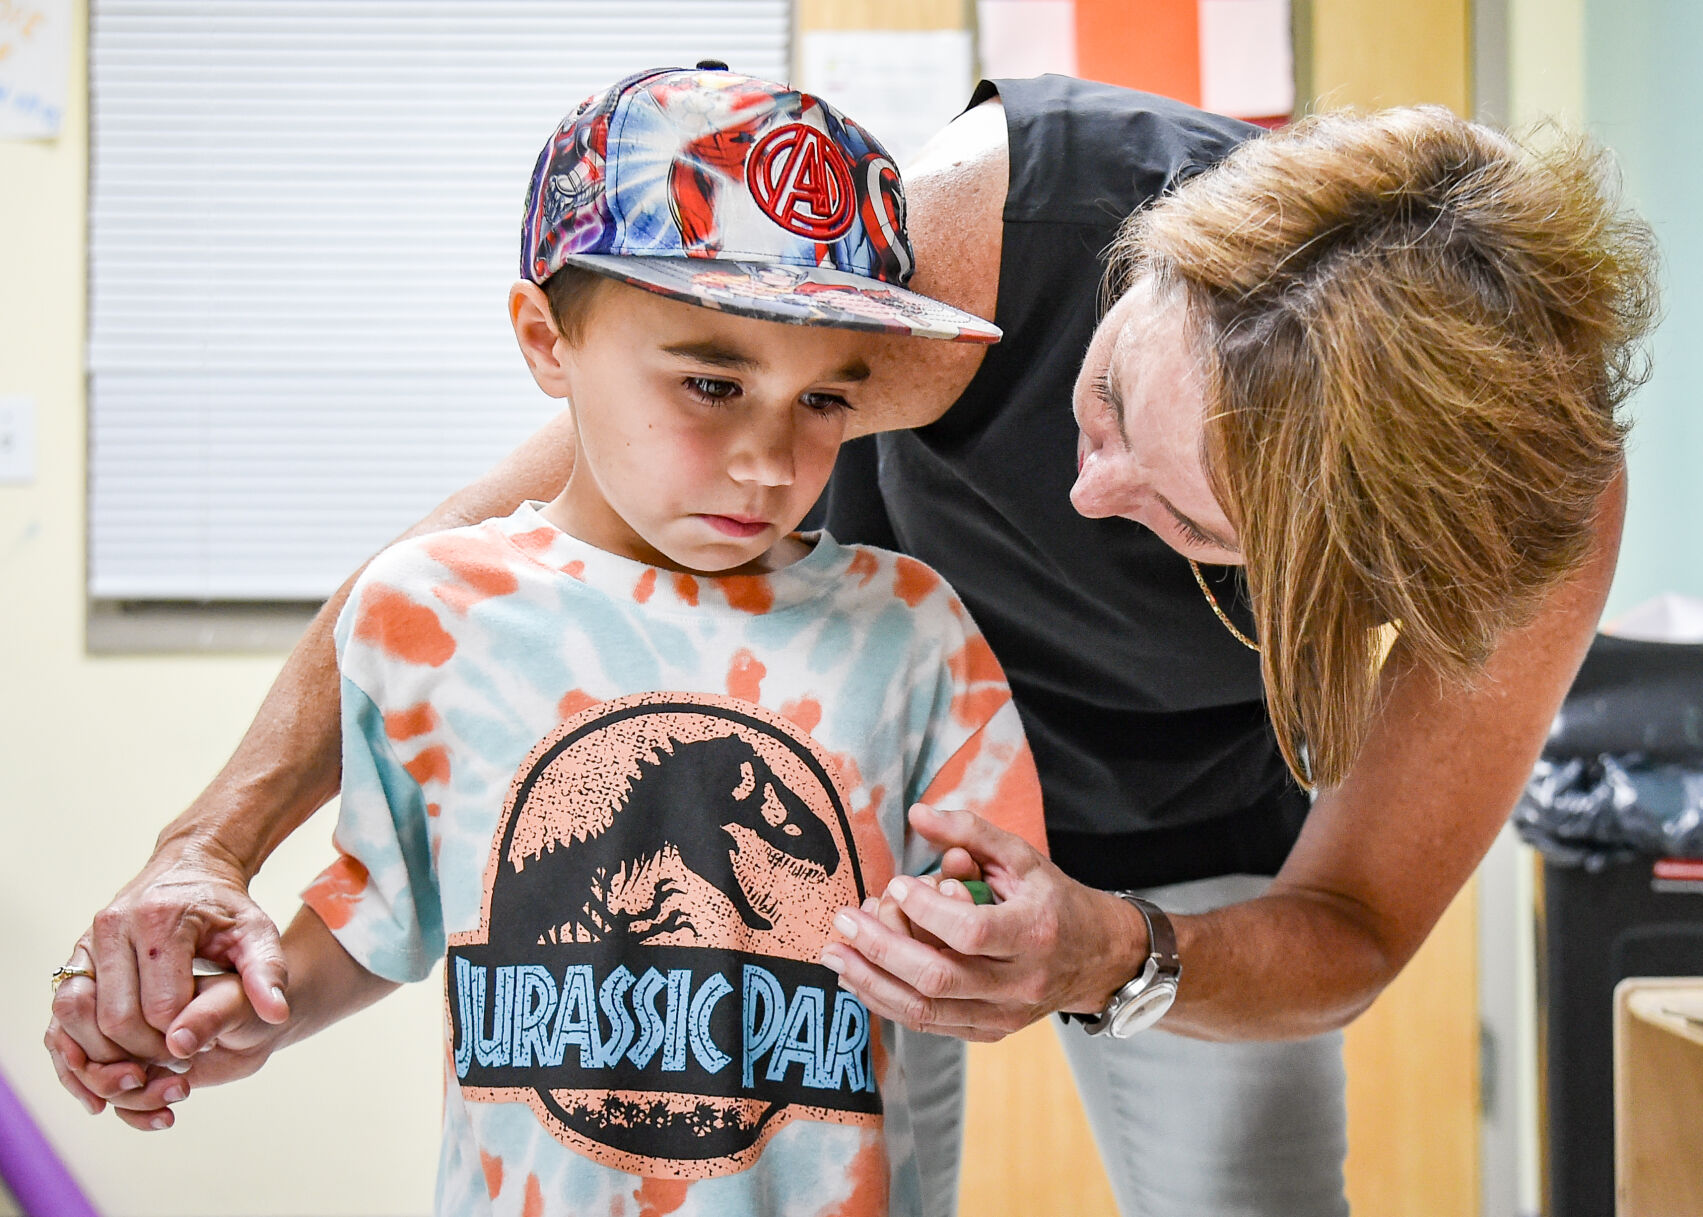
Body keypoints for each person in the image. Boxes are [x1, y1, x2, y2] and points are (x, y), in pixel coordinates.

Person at [46, 74, 1656, 1217]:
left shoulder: (1513, 523)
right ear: (1146, 259)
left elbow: (1352, 922)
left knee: (1257, 1192)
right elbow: (479, 566)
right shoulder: (984, 229)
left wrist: (1108, 951)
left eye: (1178, 521)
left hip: (1190, 844)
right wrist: (207, 847)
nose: (1086, 489)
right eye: (1096, 403)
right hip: (839, 780)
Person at [49, 63, 1050, 1215]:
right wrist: (249, 1015)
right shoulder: (427, 613)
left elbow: (996, 901)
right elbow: (387, 906)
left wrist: (972, 929)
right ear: (544, 339)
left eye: (824, 400)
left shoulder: (909, 625)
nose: (771, 462)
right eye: (713, 383)